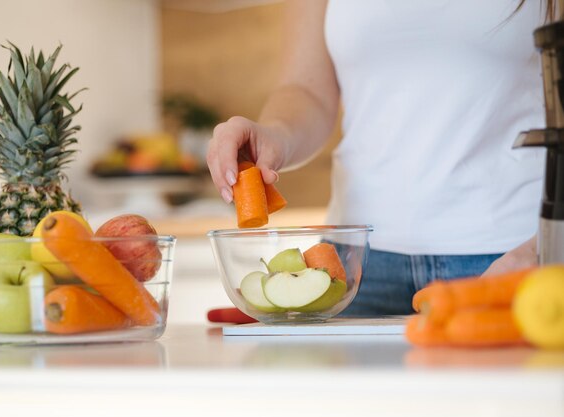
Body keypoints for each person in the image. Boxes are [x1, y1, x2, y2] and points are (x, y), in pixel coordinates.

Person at [206, 0, 555, 316]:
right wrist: (275, 135)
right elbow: (307, 90)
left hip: (510, 254)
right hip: (354, 264)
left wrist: (546, 247)